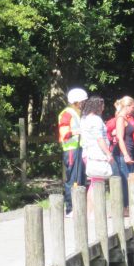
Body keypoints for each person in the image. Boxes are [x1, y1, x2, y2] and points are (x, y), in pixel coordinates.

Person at [107, 96, 134, 209]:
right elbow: (119, 138)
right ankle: (124, 207)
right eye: (133, 107)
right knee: (125, 181)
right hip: (122, 154)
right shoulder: (120, 119)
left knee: (130, 180)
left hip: (130, 151)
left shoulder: (127, 118)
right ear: (127, 106)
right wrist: (126, 155)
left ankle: (129, 206)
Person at [79, 96, 113, 212]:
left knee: (94, 182)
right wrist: (108, 153)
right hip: (96, 154)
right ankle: (94, 212)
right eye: (102, 106)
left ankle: (91, 211)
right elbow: (99, 139)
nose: (103, 108)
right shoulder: (96, 120)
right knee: (97, 183)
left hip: (87, 153)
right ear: (97, 106)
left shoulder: (84, 118)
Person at [58, 87, 87, 215]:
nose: (83, 104)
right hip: (71, 149)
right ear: (76, 102)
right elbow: (64, 134)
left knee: (80, 178)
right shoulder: (67, 113)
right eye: (82, 102)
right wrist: (77, 131)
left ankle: (79, 207)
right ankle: (70, 208)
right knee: (73, 179)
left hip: (79, 148)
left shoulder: (78, 113)